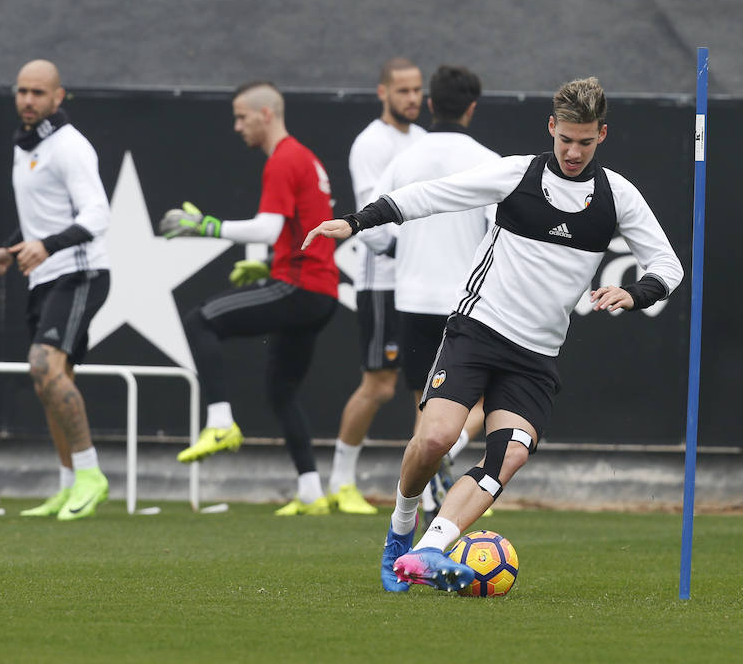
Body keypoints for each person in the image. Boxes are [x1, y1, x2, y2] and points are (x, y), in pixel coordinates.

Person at [302, 76, 684, 591]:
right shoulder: (516, 175)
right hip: (478, 329)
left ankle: (429, 551)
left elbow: (668, 265)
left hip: (537, 354)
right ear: (551, 127)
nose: (573, 151)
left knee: (512, 453)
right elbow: (429, 197)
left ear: (602, 136)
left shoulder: (618, 196)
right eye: (566, 138)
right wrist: (355, 222)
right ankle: (401, 525)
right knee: (435, 437)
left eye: (585, 141)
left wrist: (636, 293)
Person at [159, 81, 339, 516]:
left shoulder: (284, 159)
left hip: (301, 287)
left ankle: (219, 422)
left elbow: (266, 228)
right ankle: (312, 491)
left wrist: (204, 227)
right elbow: (300, 229)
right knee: (281, 391)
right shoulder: (305, 157)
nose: (237, 126)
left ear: (266, 114)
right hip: (318, 290)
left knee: (200, 318)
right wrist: (271, 266)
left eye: (241, 117)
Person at [361, 65, 498, 528]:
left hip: (414, 298)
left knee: (428, 407)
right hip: (466, 303)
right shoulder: (488, 160)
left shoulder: (405, 159)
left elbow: (373, 232)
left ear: (432, 104)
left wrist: (406, 249)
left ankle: (420, 494)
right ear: (473, 107)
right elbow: (502, 233)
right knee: (477, 406)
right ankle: (446, 457)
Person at [0, 59, 111, 521]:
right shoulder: (27, 144)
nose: (28, 100)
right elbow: (43, 218)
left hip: (80, 273)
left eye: (39, 93)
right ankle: (69, 483)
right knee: (50, 382)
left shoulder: (70, 147)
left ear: (59, 97)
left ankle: (91, 475)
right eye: (22, 91)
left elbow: (97, 215)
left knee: (43, 365)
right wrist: (10, 251)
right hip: (44, 276)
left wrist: (47, 245)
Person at [324, 58, 426, 515]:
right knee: (380, 386)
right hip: (383, 282)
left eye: (417, 90)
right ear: (382, 92)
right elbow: (373, 217)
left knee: (431, 389)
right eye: (402, 90)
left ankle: (432, 485)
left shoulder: (426, 141)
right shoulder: (370, 143)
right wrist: (411, 248)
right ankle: (340, 482)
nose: (412, 98)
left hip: (426, 285)